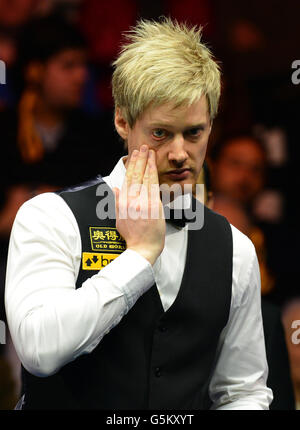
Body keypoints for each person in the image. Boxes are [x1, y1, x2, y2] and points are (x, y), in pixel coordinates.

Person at [5, 17, 273, 410]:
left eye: (194, 133)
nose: (180, 152)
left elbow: (241, 391)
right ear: (122, 121)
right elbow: (39, 351)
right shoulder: (50, 216)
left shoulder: (236, 249)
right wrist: (138, 257)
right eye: (161, 133)